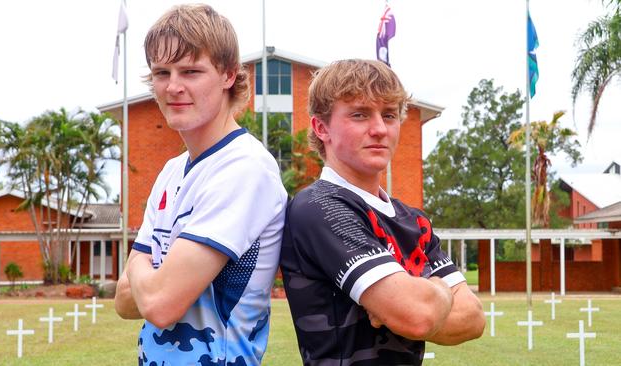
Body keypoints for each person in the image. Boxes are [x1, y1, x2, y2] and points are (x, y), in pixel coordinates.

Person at [114, 4, 288, 365]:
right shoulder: (172, 171)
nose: (173, 87)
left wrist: (145, 268)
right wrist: (156, 282)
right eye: (162, 73)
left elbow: (160, 306)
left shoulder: (245, 168)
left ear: (228, 75)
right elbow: (124, 301)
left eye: (191, 71)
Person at [280, 59, 485, 365]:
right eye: (359, 115)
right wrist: (438, 289)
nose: (379, 129)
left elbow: (472, 319)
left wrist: (419, 297)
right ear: (321, 127)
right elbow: (417, 317)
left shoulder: (413, 220)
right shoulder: (318, 207)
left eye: (389, 115)